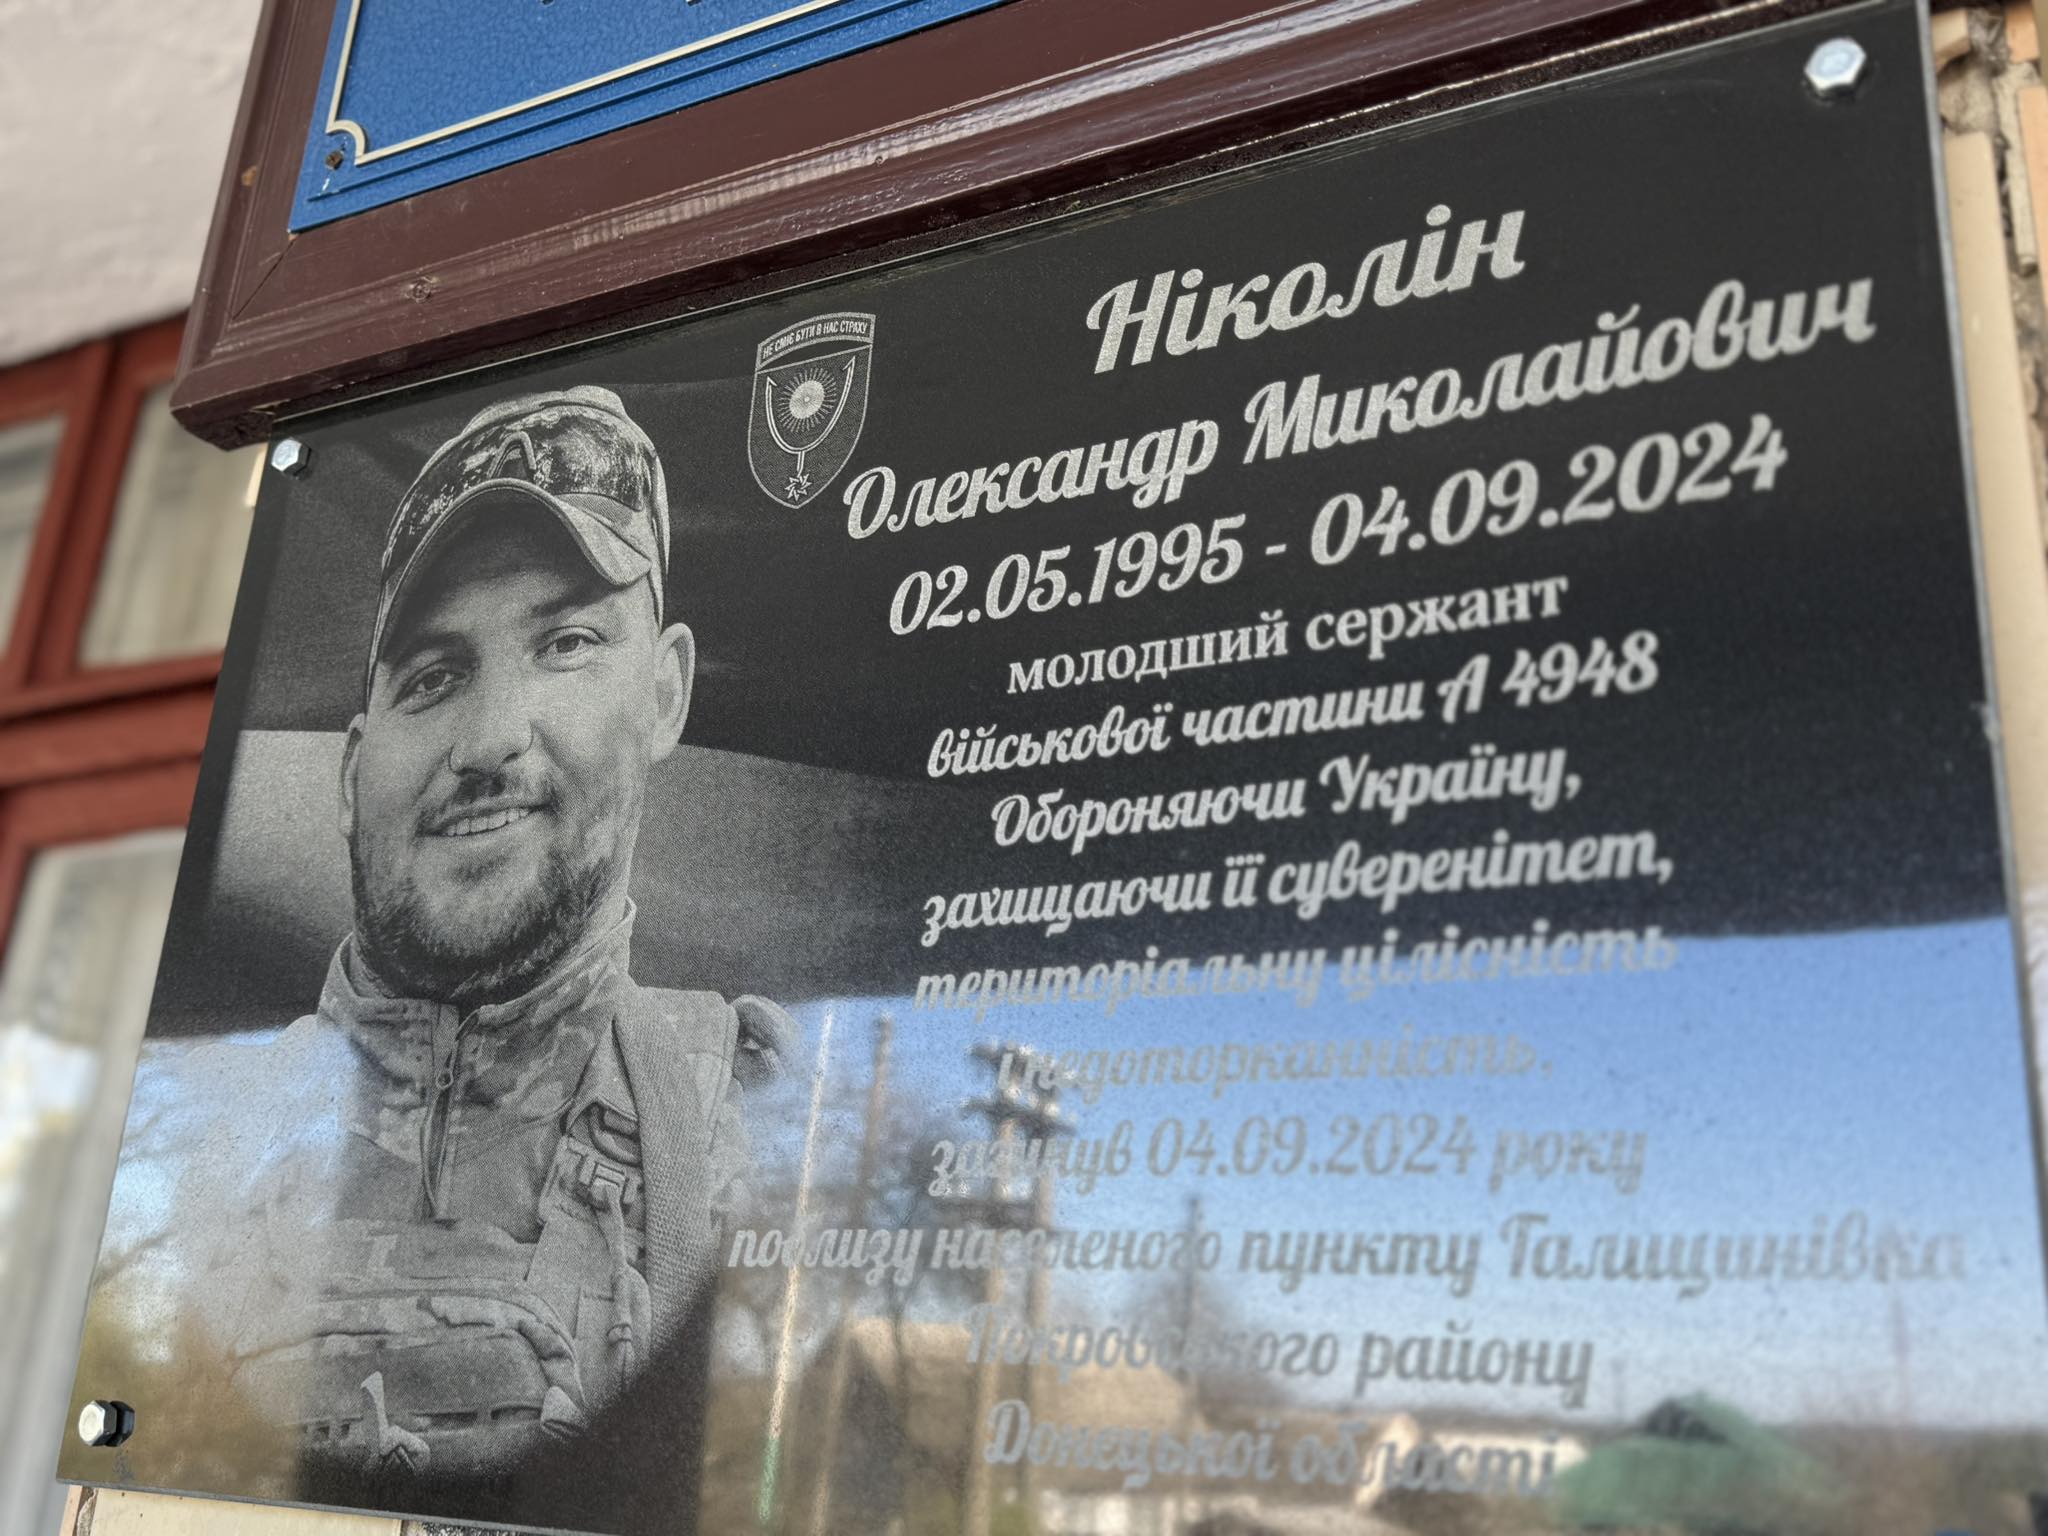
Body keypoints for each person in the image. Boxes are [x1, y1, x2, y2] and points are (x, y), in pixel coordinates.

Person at [149, 387, 793, 1490]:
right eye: (436, 675)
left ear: (666, 692)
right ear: (353, 771)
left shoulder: (764, 1115)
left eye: (567, 642)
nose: (490, 740)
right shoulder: (179, 1131)